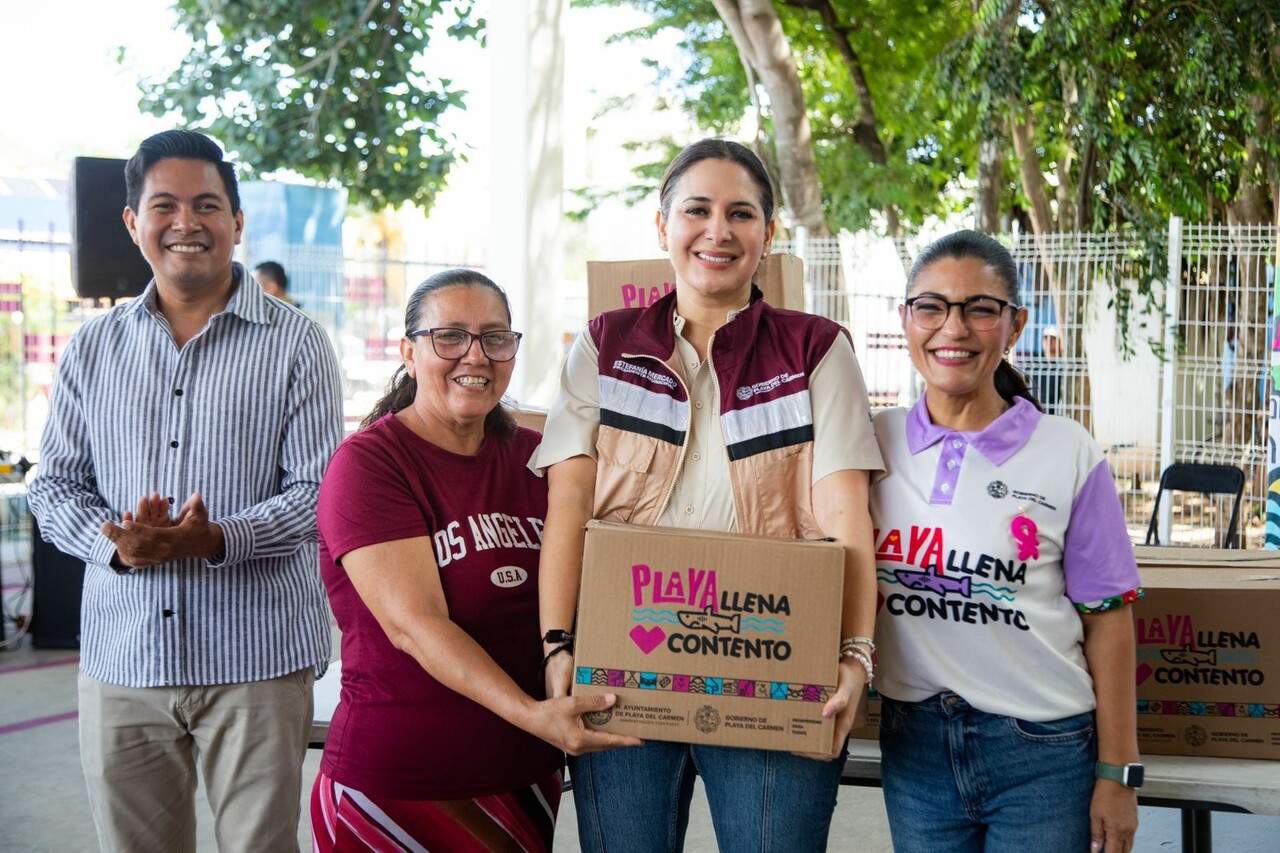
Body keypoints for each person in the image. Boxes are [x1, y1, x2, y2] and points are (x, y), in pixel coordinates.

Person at [536, 138, 884, 852]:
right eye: (697, 209)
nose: (718, 231)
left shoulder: (815, 349)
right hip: (624, 655)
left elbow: (849, 519)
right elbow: (567, 508)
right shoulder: (605, 345)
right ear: (661, 225)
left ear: (768, 232)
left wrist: (854, 655)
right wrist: (556, 647)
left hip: (775, 658)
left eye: (741, 213)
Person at [27, 130, 343, 852]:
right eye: (163, 205)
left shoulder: (297, 344)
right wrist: (116, 544)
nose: (186, 222)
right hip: (123, 659)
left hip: (256, 661)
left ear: (237, 220)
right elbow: (55, 486)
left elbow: (318, 490)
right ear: (133, 223)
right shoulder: (93, 345)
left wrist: (219, 537)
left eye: (207, 205)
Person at [311, 269, 637, 853]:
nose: (475, 355)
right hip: (402, 783)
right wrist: (532, 714)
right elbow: (416, 627)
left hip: (521, 775)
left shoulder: (540, 461)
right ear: (408, 352)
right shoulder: (369, 465)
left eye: (495, 338)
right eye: (450, 337)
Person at [869, 230, 1141, 852]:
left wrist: (1118, 775)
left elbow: (1109, 619)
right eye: (931, 306)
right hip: (915, 748)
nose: (953, 328)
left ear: (1014, 324)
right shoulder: (870, 445)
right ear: (906, 321)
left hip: (1042, 752)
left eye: (980, 308)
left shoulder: (1066, 451)